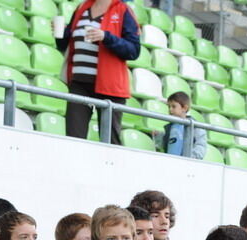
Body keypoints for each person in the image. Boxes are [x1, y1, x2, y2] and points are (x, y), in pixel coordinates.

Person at [58, 0, 140, 143]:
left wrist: (106, 37)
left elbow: (134, 51)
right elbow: (65, 45)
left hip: (110, 86)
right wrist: (60, 33)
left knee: (109, 141)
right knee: (73, 138)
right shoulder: (82, 8)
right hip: (79, 83)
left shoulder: (122, 10)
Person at [153, 91, 208, 160]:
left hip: (188, 163)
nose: (170, 109)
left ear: (184, 108)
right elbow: (167, 144)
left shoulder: (195, 127)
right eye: (169, 106)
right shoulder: (170, 127)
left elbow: (201, 146)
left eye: (173, 106)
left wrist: (190, 159)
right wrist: (158, 136)